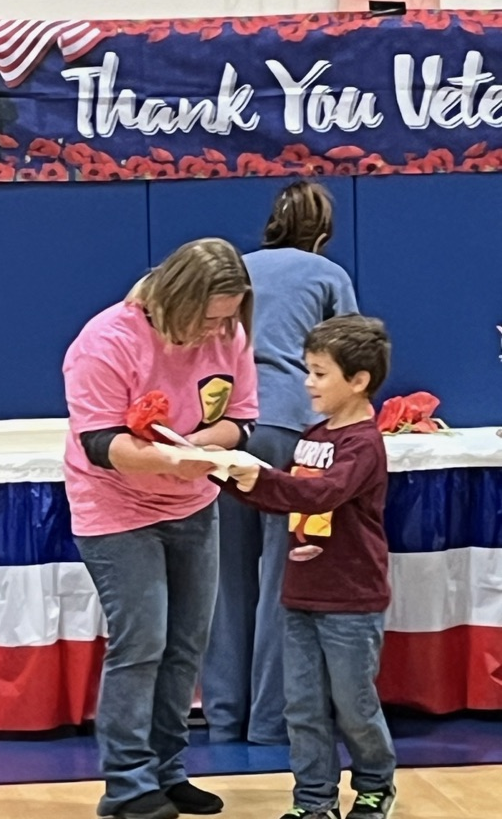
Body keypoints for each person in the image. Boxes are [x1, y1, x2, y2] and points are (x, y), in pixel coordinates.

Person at [63, 238, 259, 819]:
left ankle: (168, 771)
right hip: (116, 509)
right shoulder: (106, 341)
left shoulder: (229, 334)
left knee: (185, 645)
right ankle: (126, 783)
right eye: (207, 317)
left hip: (193, 505)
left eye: (228, 318)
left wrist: (200, 448)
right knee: (142, 641)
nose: (215, 331)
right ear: (176, 298)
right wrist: (171, 461)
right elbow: (100, 444)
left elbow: (242, 421)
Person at [203, 180, 358, 744]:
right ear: (322, 232)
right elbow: (349, 356)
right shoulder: (327, 275)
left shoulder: (237, 270)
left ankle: (223, 718)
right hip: (294, 431)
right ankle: (271, 722)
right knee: (281, 577)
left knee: (225, 580)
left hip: (226, 429)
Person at [224, 314, 397, 819]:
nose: (308, 382)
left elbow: (324, 492)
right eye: (309, 370)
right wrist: (219, 474)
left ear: (358, 380)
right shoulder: (313, 434)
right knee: (301, 706)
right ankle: (313, 801)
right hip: (301, 594)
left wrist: (258, 476)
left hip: (350, 598)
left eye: (320, 372)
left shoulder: (363, 442)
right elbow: (285, 498)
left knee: (354, 705)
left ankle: (374, 785)